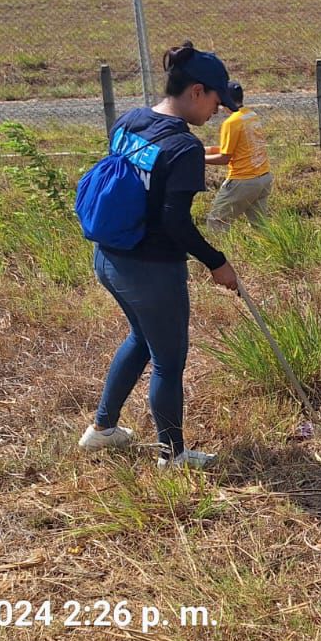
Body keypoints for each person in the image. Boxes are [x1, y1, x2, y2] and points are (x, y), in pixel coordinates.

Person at [79, 42, 240, 469]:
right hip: (151, 271)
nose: (216, 113)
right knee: (169, 361)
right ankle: (173, 455)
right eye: (215, 103)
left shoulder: (131, 121)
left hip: (108, 259)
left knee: (140, 339)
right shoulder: (184, 149)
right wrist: (216, 261)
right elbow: (175, 223)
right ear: (197, 91)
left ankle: (102, 430)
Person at [205, 83, 272, 238]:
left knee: (216, 222)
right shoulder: (251, 115)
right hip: (263, 179)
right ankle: (274, 253)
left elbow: (224, 158)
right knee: (261, 227)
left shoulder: (231, 123)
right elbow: (233, 148)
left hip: (242, 181)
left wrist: (198, 159)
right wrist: (203, 150)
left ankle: (220, 258)